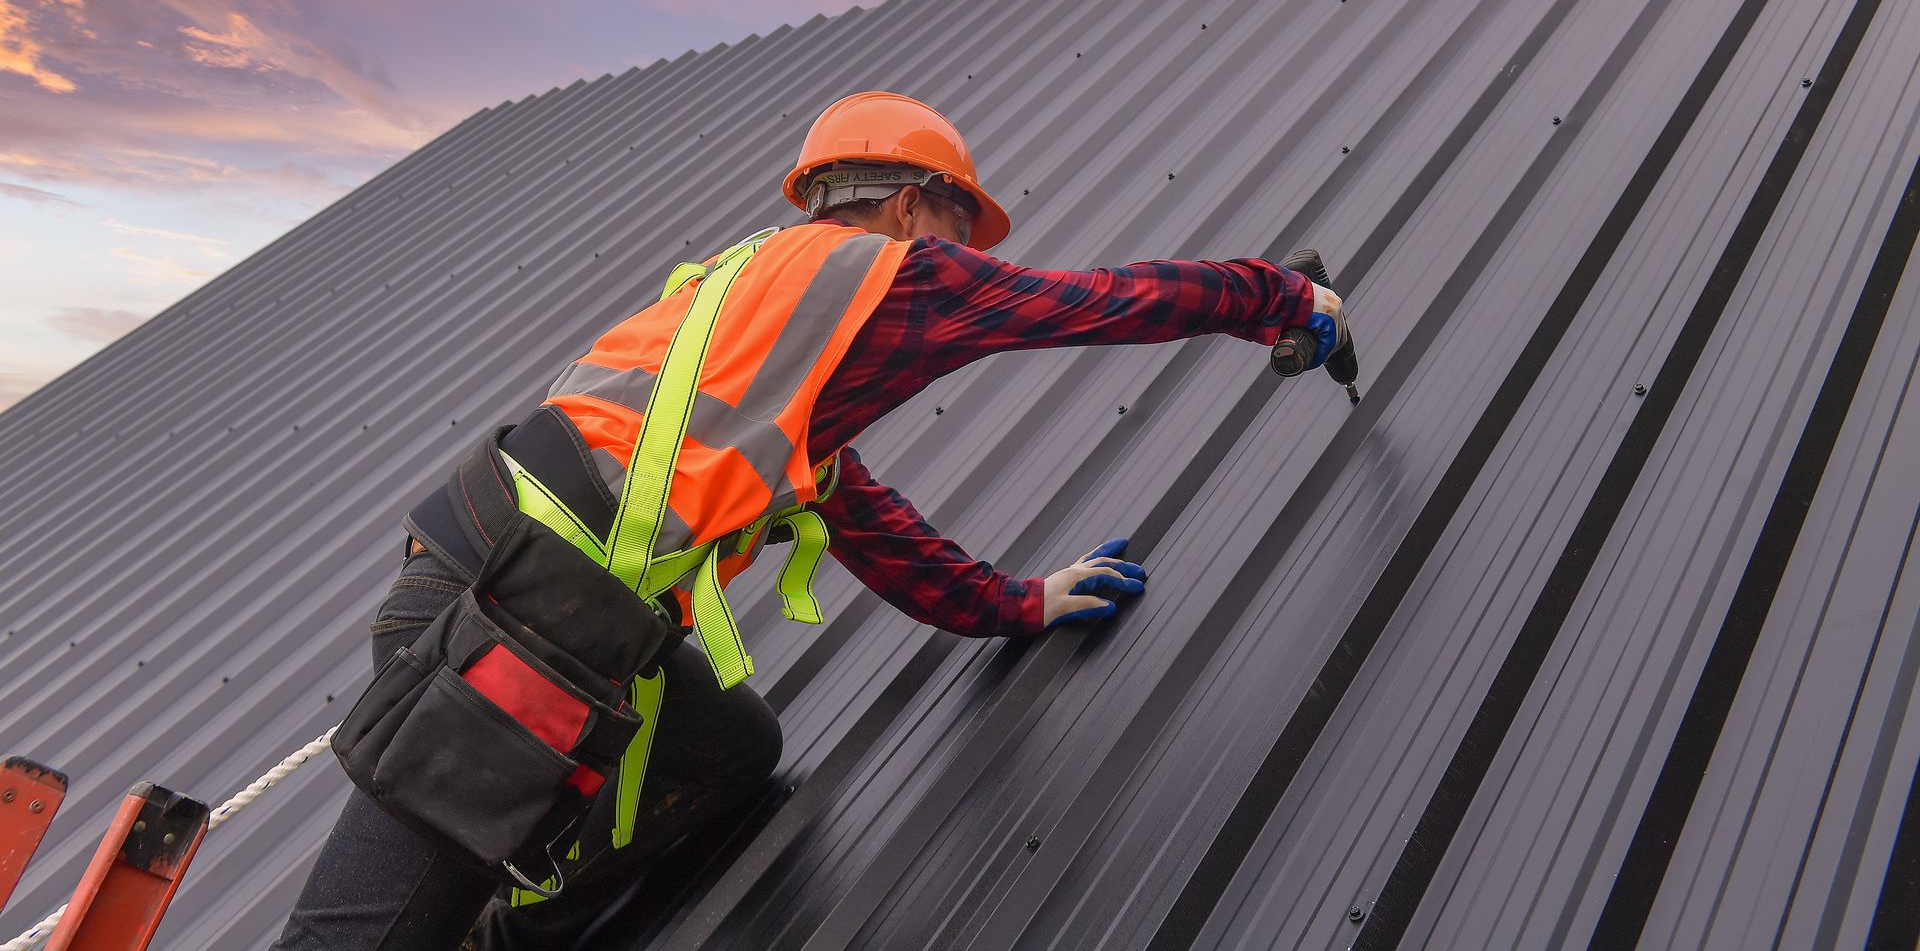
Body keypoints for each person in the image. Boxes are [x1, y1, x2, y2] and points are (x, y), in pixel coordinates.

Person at [272, 90, 1347, 950]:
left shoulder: (761, 325)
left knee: (731, 747)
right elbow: (1101, 300)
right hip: (506, 637)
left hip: (517, 598)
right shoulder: (889, 274)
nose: (965, 258)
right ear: (910, 205)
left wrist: (1022, 601)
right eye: (960, 225)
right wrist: (1282, 300)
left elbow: (875, 530)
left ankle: (496, 927)